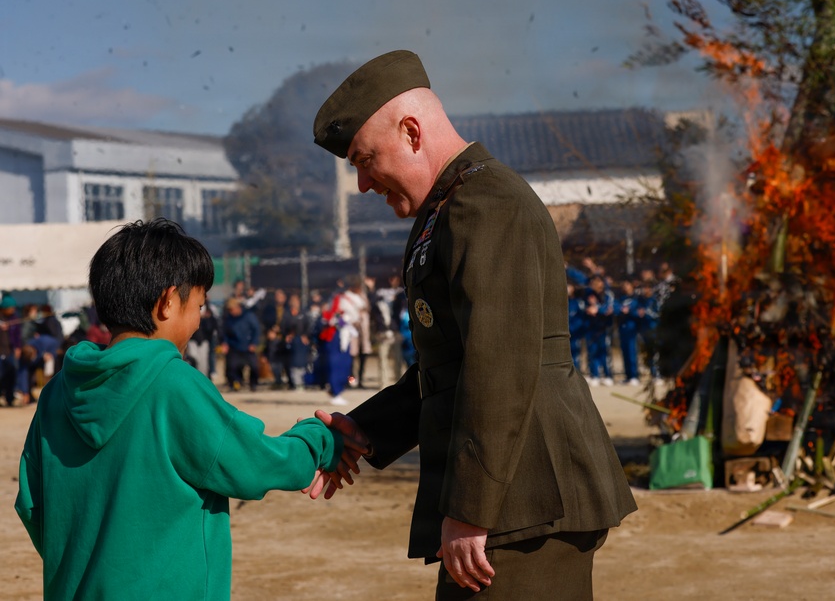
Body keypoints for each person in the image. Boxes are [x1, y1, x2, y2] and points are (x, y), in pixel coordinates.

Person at [307, 50, 636, 599]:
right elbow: (452, 365)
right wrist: (368, 430)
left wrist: (471, 510)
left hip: (527, 500)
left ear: (411, 131)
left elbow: (501, 366)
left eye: (365, 159)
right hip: (514, 502)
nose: (363, 183)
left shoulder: (486, 204)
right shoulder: (452, 205)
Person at [14, 218, 349, 600]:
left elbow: (32, 505)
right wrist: (321, 440)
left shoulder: (57, 392)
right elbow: (255, 464)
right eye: (199, 306)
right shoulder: (172, 383)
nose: (197, 322)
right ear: (168, 302)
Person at [221, 297, 261, 391]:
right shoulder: (229, 319)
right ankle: (235, 384)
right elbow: (225, 332)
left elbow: (256, 330)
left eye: (232, 309)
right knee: (232, 367)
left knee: (254, 366)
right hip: (234, 346)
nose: (231, 311)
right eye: (229, 310)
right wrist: (225, 343)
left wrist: (254, 343)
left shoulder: (249, 316)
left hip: (248, 346)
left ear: (238, 307)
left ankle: (253, 384)